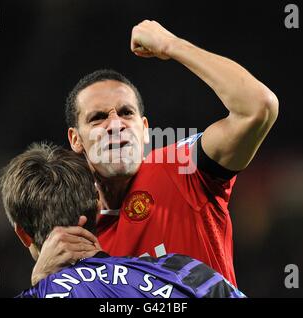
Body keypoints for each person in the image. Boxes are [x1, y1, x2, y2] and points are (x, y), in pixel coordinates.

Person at [31, 20, 279, 287]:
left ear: (145, 129)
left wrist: (171, 45)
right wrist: (41, 283)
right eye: (98, 118)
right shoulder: (75, 237)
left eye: (126, 113)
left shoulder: (182, 169)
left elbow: (258, 107)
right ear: (75, 139)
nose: (115, 125)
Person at [0, 142, 245, 298]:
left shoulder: (42, 292)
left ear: (23, 234)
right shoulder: (183, 272)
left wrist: (40, 285)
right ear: (97, 209)